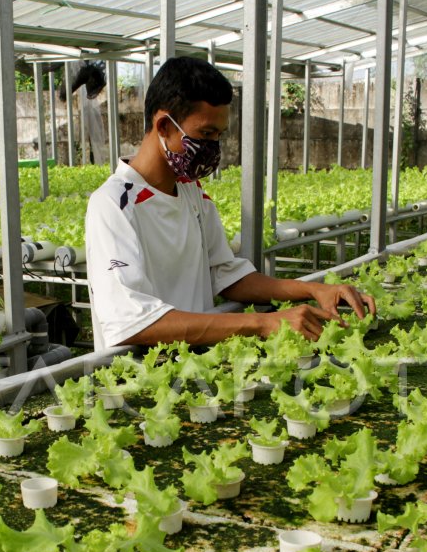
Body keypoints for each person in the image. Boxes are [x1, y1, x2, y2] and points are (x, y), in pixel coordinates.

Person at [84, 56, 375, 352]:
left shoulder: (191, 192)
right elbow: (132, 321)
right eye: (205, 134)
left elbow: (227, 276)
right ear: (163, 125)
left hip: (196, 368)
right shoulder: (112, 205)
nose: (212, 148)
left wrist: (314, 289)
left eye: (218, 136)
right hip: (137, 383)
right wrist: (264, 323)